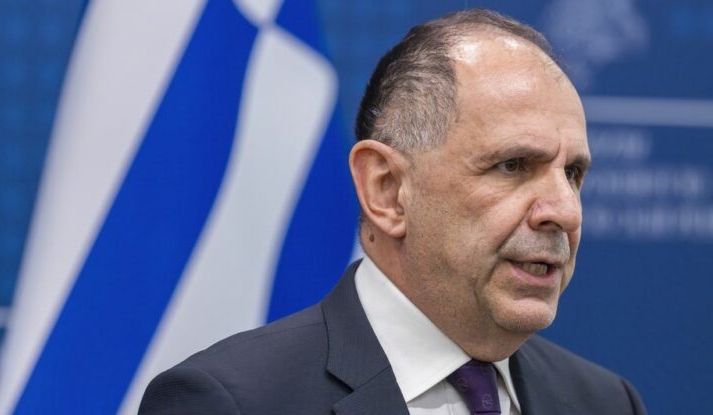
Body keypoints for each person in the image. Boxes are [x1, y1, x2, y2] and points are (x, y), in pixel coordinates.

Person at [140, 9, 646, 415]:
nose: (564, 212)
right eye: (513, 165)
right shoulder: (232, 401)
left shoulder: (605, 403)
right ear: (386, 190)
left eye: (572, 173)